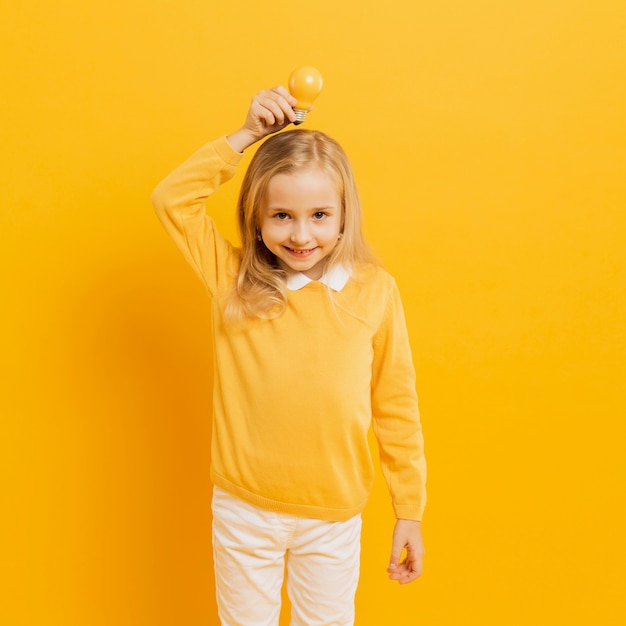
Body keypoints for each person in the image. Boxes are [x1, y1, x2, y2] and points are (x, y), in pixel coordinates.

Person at [151, 85, 427, 626]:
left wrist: (409, 510)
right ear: (256, 218)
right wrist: (246, 136)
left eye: (320, 214)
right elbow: (170, 200)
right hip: (243, 511)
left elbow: (396, 405)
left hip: (333, 517)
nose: (302, 235)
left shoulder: (374, 291)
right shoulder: (233, 280)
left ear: (345, 214)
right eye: (281, 216)